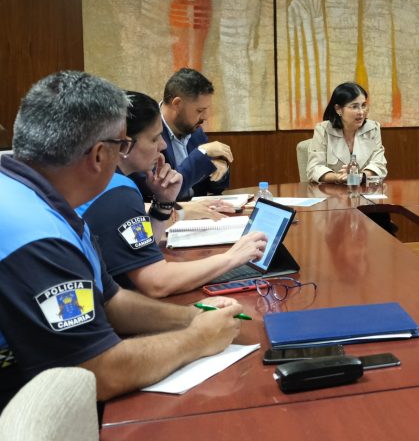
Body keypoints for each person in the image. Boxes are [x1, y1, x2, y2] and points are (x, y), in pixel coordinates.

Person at [0, 71, 249, 411]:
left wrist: (190, 316)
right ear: (101, 155)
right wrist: (197, 339)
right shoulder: (36, 234)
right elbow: (96, 372)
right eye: (124, 145)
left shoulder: (39, 194)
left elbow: (110, 301)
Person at [77, 91, 267, 298]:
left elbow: (144, 248)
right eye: (154, 138)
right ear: (124, 145)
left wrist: (164, 203)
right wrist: (233, 257)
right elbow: (157, 283)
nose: (163, 145)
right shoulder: (117, 192)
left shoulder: (96, 179)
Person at [136, 67, 232, 201]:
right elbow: (162, 190)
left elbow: (215, 187)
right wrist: (201, 154)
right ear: (177, 104)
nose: (205, 117)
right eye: (200, 110)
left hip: (199, 215)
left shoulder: (196, 131)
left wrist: (219, 169)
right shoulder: (146, 131)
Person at [306, 82, 387, 184]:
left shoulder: (373, 129)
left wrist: (361, 176)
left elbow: (379, 164)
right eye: (354, 107)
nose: (361, 112)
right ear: (338, 109)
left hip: (363, 191)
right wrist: (338, 177)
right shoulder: (323, 130)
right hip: (333, 193)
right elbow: (314, 168)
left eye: (363, 105)